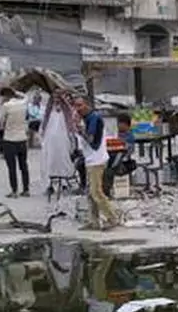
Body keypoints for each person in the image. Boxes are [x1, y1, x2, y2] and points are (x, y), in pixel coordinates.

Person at [73, 97, 120, 230]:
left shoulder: (94, 119)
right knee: (90, 193)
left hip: (97, 160)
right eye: (75, 106)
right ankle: (93, 221)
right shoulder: (87, 119)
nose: (78, 109)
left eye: (80, 105)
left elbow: (92, 142)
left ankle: (112, 218)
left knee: (96, 192)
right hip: (91, 160)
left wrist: (79, 129)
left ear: (86, 105)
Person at [41, 90, 80, 197]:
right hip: (50, 141)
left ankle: (64, 183)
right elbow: (44, 124)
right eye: (54, 98)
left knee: (63, 160)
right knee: (49, 161)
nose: (56, 100)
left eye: (58, 98)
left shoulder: (66, 110)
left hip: (63, 140)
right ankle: (50, 185)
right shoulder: (49, 110)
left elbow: (71, 125)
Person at [0, 88, 30, 197]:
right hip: (22, 138)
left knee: (12, 167)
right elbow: (26, 96)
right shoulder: (23, 103)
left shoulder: (6, 106)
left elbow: (0, 121)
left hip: (10, 139)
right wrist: (16, 92)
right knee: (23, 166)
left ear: (5, 96)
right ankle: (26, 189)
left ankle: (14, 191)